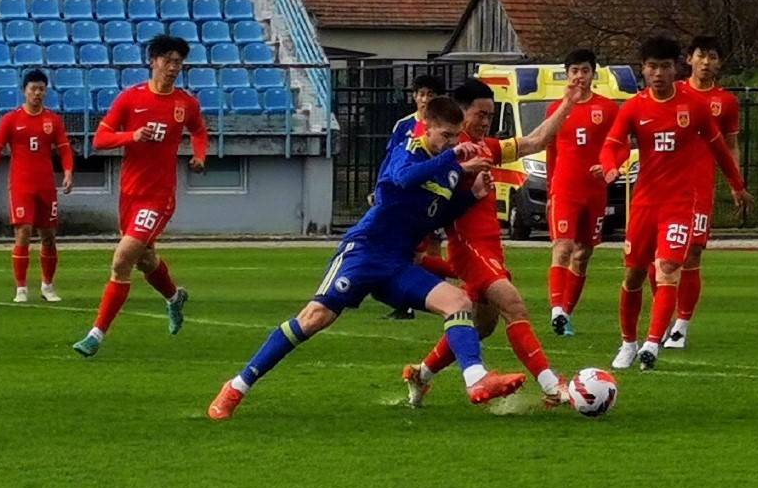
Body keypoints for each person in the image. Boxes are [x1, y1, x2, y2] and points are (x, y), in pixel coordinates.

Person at [208, 96, 524, 420]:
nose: (452, 143)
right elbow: (403, 178)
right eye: (445, 136)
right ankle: (236, 386)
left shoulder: (450, 170)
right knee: (315, 317)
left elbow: (432, 216)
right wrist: (453, 160)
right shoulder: (409, 150)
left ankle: (476, 379)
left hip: (398, 264)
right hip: (365, 251)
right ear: (426, 127)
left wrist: (471, 197)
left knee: (459, 303)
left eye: (456, 137)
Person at [400, 76, 581, 408]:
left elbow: (536, 141)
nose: (486, 122)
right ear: (461, 112)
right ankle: (553, 386)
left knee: (481, 326)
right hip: (469, 247)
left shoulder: (487, 147)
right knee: (514, 306)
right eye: (480, 114)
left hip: (491, 248)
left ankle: (420, 374)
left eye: (490, 115)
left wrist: (568, 103)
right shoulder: (448, 150)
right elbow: (420, 184)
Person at [600, 35, 753, 371]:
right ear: (643, 70)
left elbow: (720, 150)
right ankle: (628, 343)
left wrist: (738, 186)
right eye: (652, 66)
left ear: (676, 68)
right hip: (644, 204)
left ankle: (653, 344)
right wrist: (611, 166)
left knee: (669, 269)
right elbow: (613, 145)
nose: (658, 73)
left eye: (665, 66)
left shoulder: (694, 107)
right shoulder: (635, 108)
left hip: (679, 204)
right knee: (634, 276)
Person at [71, 34, 208, 356]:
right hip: (130, 194)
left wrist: (200, 156)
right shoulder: (130, 99)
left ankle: (96, 335)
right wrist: (132, 135)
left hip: (159, 197)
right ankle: (175, 298)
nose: (173, 68)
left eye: (178, 62)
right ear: (153, 61)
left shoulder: (185, 103)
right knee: (146, 260)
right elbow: (99, 140)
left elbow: (199, 130)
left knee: (121, 260)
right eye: (168, 60)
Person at [667, 35, 742, 349]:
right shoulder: (673, 92)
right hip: (667, 186)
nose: (707, 62)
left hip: (700, 186)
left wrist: (736, 184)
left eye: (713, 57)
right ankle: (663, 319)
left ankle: (680, 325)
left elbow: (731, 146)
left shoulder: (725, 102)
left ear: (719, 62)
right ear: (689, 59)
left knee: (692, 253)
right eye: (701, 56)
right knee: (662, 258)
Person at [0, 69, 76, 303]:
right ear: (24, 91)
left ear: (46, 91)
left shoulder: (53, 120)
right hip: (22, 185)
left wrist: (68, 172)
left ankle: (47, 286)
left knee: (49, 236)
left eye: (41, 89)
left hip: (46, 185)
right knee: (23, 232)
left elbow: (64, 148)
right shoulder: (11, 119)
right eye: (33, 89)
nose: (37, 93)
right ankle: (21, 288)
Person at [544, 49, 618, 337]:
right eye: (574, 70)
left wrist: (611, 165)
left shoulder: (608, 109)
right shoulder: (556, 109)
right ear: (567, 74)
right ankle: (556, 311)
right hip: (565, 189)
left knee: (583, 253)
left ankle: (566, 315)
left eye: (584, 70)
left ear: (593, 74)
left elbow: (618, 144)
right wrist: (551, 187)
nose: (579, 76)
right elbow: (550, 149)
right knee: (562, 247)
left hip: (595, 191)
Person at [381, 72, 455, 319]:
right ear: (414, 96)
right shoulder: (404, 126)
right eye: (421, 94)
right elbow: (391, 158)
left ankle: (438, 293)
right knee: (409, 247)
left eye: (430, 94)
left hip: (436, 195)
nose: (424, 99)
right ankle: (410, 301)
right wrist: (378, 186)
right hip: (409, 196)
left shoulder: (446, 130)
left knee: (433, 245)